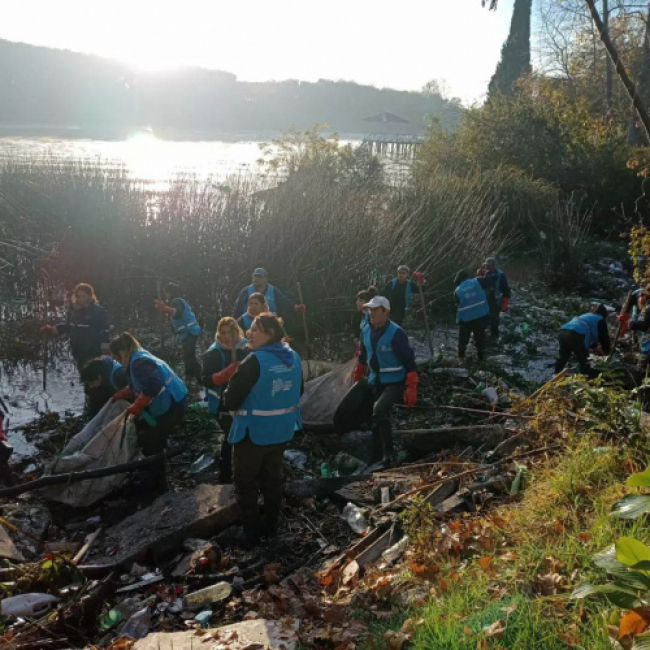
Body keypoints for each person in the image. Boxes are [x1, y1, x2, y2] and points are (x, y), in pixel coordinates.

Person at [222, 314, 303, 543]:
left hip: (253, 435)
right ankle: (271, 526)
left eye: (255, 330)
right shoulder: (293, 357)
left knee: (245, 484)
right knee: (272, 479)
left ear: (270, 334)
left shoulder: (255, 361)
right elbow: (300, 390)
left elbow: (231, 401)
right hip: (282, 432)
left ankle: (250, 533)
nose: (249, 333)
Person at [110, 332, 188, 490]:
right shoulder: (138, 356)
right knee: (153, 435)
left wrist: (136, 406)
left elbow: (153, 385)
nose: (117, 361)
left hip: (173, 403)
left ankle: (158, 482)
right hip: (178, 398)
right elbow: (137, 384)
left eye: (116, 356)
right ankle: (157, 472)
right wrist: (123, 394)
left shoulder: (138, 363)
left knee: (152, 440)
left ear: (122, 352)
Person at [353, 296, 418, 465]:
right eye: (369, 309)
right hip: (376, 380)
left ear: (385, 312)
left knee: (379, 409)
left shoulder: (396, 333)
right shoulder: (366, 330)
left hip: (395, 381)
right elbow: (363, 356)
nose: (371, 313)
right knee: (374, 417)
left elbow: (409, 361)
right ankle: (377, 456)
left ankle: (389, 455)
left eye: (375, 310)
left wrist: (411, 387)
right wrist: (357, 377)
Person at [202, 318, 250, 484]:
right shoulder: (213, 353)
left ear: (238, 332)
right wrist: (223, 375)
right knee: (230, 438)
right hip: (222, 404)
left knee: (244, 438)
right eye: (223, 333)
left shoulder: (246, 349)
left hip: (244, 402)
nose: (227, 336)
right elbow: (205, 379)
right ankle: (225, 477)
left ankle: (243, 473)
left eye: (231, 332)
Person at [40, 283, 110, 373]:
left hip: (94, 352)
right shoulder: (73, 310)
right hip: (78, 351)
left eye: (84, 296)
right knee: (85, 377)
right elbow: (69, 327)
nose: (81, 299)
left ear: (90, 296)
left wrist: (106, 351)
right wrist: (52, 329)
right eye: (78, 296)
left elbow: (105, 332)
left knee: (94, 379)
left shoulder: (98, 311)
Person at [154, 283, 202, 380]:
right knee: (187, 356)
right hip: (186, 333)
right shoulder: (179, 301)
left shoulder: (176, 302)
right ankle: (189, 378)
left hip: (190, 331)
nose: (165, 295)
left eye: (166, 292)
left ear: (170, 292)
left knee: (190, 356)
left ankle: (201, 377)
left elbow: (177, 313)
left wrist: (165, 309)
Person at [555, 304, 611, 377]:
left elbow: (589, 332)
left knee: (563, 357)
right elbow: (604, 338)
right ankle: (586, 378)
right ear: (604, 315)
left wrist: (595, 347)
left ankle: (556, 374)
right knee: (584, 361)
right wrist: (607, 353)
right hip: (577, 335)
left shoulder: (587, 316)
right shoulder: (600, 319)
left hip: (563, 332)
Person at [232, 268, 306, 319]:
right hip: (249, 325)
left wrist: (296, 307)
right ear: (252, 278)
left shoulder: (273, 290)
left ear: (265, 279)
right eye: (255, 276)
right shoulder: (245, 292)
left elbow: (284, 302)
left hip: (269, 324)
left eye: (260, 276)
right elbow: (237, 309)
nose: (257, 279)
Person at [454, 269, 494, 361]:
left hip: (465, 319)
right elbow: (490, 281)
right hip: (480, 316)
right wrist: (488, 273)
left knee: (463, 340)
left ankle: (460, 357)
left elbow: (458, 303)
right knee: (480, 338)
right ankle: (481, 357)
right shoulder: (478, 280)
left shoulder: (457, 290)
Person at [480, 257, 511, 340]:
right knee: (483, 320)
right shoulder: (483, 274)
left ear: (493, 266)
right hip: (485, 302)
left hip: (496, 302)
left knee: (494, 321)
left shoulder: (500, 275)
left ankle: (494, 337)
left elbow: (505, 290)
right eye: (485, 265)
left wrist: (505, 302)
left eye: (488, 266)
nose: (486, 267)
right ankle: (483, 336)